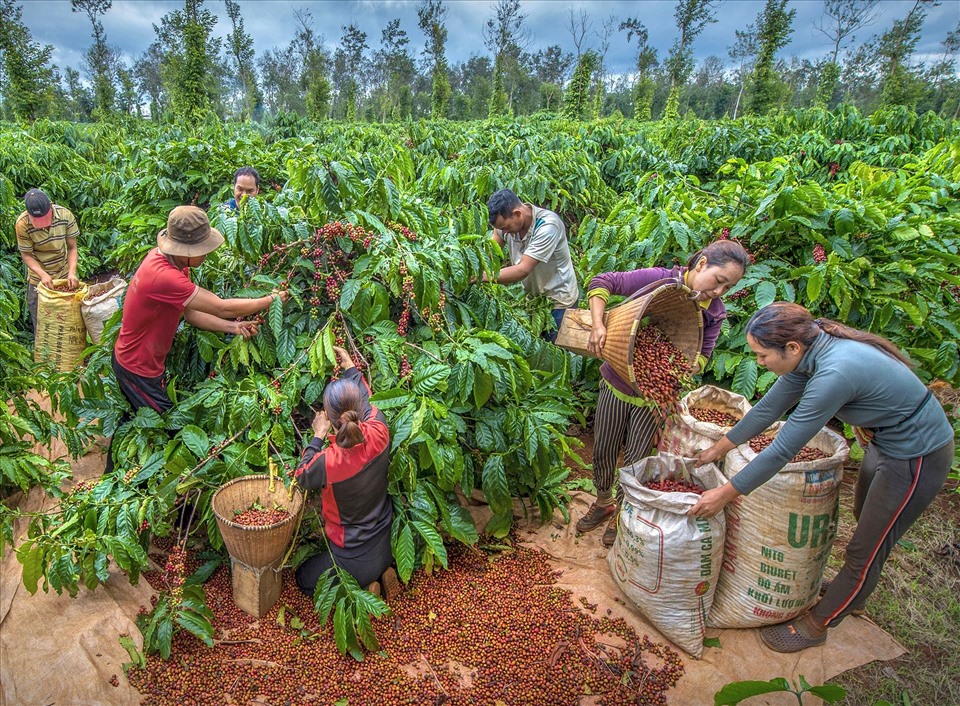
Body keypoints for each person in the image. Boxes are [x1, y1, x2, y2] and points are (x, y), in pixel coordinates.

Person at [691, 302, 954, 653]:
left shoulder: (834, 373)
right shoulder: (808, 355)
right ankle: (854, 590)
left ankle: (819, 623)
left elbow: (783, 449)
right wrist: (718, 449)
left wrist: (724, 494)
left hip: (916, 455)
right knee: (864, 520)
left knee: (866, 549)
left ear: (792, 348)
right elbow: (768, 409)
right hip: (882, 444)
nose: (759, 362)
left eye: (762, 355)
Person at [577, 239, 751, 547]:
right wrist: (598, 325)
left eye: (728, 287)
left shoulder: (714, 313)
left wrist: (685, 366)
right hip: (616, 384)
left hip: (653, 400)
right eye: (718, 281)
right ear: (702, 264)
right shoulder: (661, 280)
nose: (719, 291)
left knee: (636, 460)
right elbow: (602, 282)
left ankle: (624, 513)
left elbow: (703, 355)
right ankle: (604, 501)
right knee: (604, 449)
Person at [106, 205, 288, 473]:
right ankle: (142, 484)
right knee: (172, 428)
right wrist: (271, 300)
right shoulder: (164, 276)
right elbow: (221, 306)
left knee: (132, 418)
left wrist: (233, 328)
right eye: (203, 248)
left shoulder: (173, 263)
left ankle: (112, 477)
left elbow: (190, 314)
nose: (207, 253)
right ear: (186, 251)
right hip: (137, 369)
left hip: (142, 363)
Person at [293, 346, 399, 601]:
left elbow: (302, 475)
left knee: (303, 579)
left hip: (351, 558)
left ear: (330, 419)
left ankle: (362, 588)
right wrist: (351, 366)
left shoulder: (329, 461)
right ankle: (383, 574)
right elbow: (368, 400)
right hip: (387, 542)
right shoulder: (379, 428)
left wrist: (318, 435)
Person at [485, 188, 579, 341]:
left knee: (558, 349)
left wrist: (481, 277)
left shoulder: (548, 226)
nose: (504, 232)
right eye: (501, 228)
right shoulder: (503, 226)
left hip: (559, 301)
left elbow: (522, 270)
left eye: (506, 227)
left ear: (517, 214)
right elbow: (489, 254)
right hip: (534, 301)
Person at [15, 188, 80, 333]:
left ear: (50, 206)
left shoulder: (65, 215)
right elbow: (27, 256)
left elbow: (72, 248)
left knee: (69, 320)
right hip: (38, 279)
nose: (43, 225)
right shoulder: (22, 224)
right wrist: (43, 275)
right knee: (42, 324)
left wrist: (72, 272)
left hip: (63, 273)